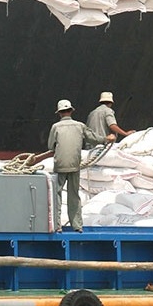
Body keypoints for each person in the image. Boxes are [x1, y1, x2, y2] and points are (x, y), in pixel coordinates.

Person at [28, 99, 114, 232]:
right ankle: (77, 226)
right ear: (71, 111)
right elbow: (93, 138)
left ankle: (57, 226)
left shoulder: (56, 127)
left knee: (56, 195)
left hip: (60, 165)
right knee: (74, 196)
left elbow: (51, 146)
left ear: (59, 113)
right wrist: (106, 139)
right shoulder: (80, 126)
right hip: (74, 165)